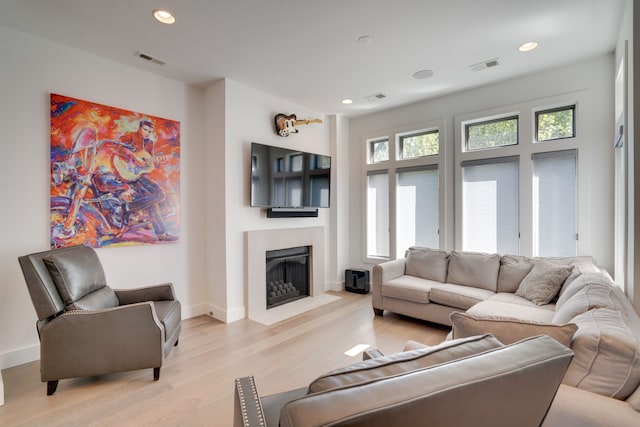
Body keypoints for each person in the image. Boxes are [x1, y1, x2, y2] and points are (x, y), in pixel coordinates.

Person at [93, 119, 177, 241]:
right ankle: (131, 209)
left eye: (150, 131)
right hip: (126, 171)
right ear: (140, 128)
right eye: (145, 129)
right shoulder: (130, 136)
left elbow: (148, 162)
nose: (147, 133)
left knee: (153, 200)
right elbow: (117, 148)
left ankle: (160, 232)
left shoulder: (149, 143)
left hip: (139, 175)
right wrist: (133, 157)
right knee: (158, 195)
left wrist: (160, 162)